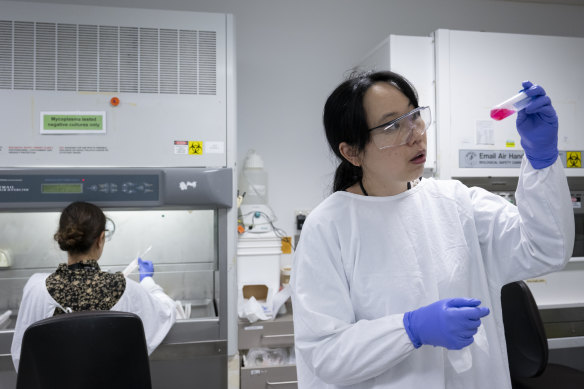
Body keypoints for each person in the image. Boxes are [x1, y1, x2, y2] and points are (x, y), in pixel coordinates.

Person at [290, 71, 574, 388]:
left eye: (414, 116)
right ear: (352, 152)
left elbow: (547, 249)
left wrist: (541, 159)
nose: (415, 134)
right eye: (392, 125)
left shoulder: (456, 202)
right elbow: (327, 355)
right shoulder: (329, 226)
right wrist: (410, 329)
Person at [11, 201, 176, 371]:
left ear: (63, 237)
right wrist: (148, 282)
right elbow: (166, 312)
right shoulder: (124, 288)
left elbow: (21, 355)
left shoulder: (36, 287)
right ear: (101, 239)